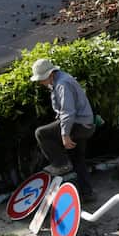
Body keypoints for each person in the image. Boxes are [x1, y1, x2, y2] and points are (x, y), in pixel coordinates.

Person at [31, 58, 96, 199]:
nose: (40, 83)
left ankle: (60, 163)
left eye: (41, 79)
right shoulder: (59, 80)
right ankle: (88, 194)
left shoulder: (62, 83)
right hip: (85, 125)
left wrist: (65, 134)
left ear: (49, 74)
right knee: (77, 158)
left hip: (78, 125)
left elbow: (68, 112)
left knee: (41, 133)